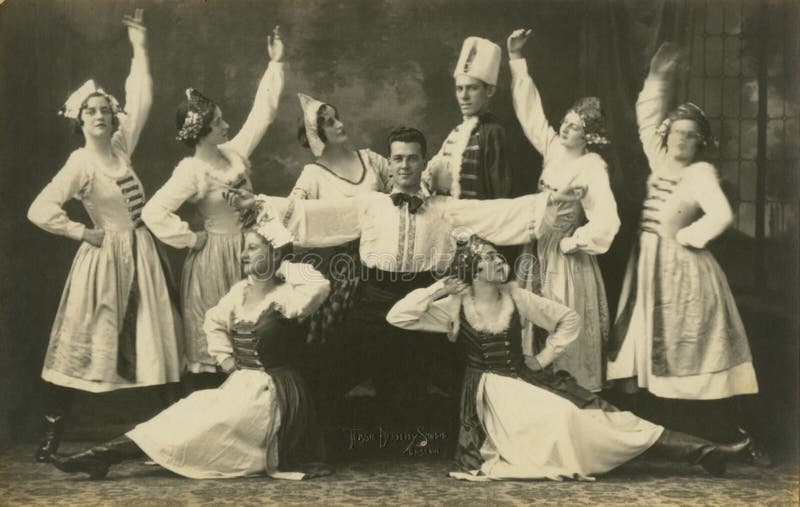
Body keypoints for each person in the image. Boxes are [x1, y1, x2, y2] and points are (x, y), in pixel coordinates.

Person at [225, 127, 581, 408]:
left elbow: (499, 213)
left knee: (470, 377)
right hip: (372, 301)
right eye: (398, 159)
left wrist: (549, 202)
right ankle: (311, 443)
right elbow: (312, 216)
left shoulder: (446, 208)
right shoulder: (370, 204)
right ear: (390, 164)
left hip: (428, 302)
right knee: (322, 373)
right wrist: (256, 203)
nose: (405, 165)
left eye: (412, 158)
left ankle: (484, 436)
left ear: (424, 162)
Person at [386, 235, 750, 481]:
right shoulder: (455, 306)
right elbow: (398, 316)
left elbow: (567, 319)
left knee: (600, 416)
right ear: (473, 271)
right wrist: (439, 288)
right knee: (564, 420)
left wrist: (542, 359)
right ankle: (698, 453)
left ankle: (705, 452)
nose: (500, 262)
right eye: (490, 260)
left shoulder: (517, 296)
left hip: (525, 380)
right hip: (489, 395)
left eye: (499, 256)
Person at [52, 207, 332, 480]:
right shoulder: (239, 292)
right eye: (245, 248)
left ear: (274, 253)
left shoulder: (288, 297)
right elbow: (213, 322)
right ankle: (103, 455)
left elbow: (319, 285)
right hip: (240, 386)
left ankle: (104, 456)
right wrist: (225, 359)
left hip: (275, 395)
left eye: (254, 249)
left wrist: (281, 258)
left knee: (210, 425)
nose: (244, 255)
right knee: (187, 410)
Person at [27, 10, 182, 463]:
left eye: (106, 110)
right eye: (90, 112)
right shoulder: (81, 163)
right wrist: (80, 231)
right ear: (79, 120)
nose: (100, 115)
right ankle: (52, 435)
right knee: (85, 344)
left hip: (142, 255)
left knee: (156, 340)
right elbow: (39, 209)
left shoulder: (119, 148)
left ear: (115, 119)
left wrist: (138, 46)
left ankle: (169, 437)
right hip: (103, 262)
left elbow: (143, 96)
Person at [606, 42, 766, 464]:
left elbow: (722, 215)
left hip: (683, 270)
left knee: (690, 344)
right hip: (646, 268)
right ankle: (650, 435)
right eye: (676, 132)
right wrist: (658, 77)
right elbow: (645, 120)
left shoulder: (700, 172)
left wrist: (687, 239)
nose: (681, 139)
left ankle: (722, 434)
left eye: (690, 135)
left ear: (699, 142)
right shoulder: (660, 162)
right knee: (642, 345)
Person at [141, 26, 284, 392]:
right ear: (202, 132)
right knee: (220, 342)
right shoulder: (192, 171)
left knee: (258, 334)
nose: (227, 125)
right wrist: (191, 239)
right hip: (215, 260)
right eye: (219, 122)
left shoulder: (234, 153)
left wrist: (275, 63)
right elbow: (153, 212)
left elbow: (261, 116)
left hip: (253, 249)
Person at [507, 29, 620, 392]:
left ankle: (571, 391)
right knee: (531, 316)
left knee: (563, 317)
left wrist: (575, 243)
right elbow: (532, 116)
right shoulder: (554, 149)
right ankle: (535, 388)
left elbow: (607, 219)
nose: (564, 128)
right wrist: (516, 60)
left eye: (574, 126)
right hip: (536, 246)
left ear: (589, 135)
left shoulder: (592, 166)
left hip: (566, 259)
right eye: (566, 122)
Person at [291, 93, 393, 400]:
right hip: (346, 269)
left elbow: (407, 189)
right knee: (345, 344)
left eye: (337, 117)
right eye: (329, 122)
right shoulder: (313, 175)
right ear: (316, 135)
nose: (340, 124)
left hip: (387, 262)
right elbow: (290, 212)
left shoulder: (370, 159)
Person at [424, 36, 511, 200]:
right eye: (459, 89)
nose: (464, 96)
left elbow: (501, 193)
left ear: (489, 91)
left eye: (472, 88)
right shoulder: (457, 132)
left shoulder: (494, 132)